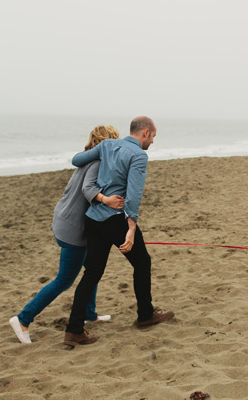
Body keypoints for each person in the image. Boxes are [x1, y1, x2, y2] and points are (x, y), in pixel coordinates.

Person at [63, 116, 174, 346]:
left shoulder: (107, 145)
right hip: (116, 220)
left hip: (94, 218)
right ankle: (145, 315)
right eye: (153, 136)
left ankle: (73, 330)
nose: (153, 141)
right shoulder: (138, 155)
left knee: (92, 273)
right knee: (142, 263)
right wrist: (131, 229)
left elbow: (76, 159)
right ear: (144, 133)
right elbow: (134, 194)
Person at [9, 125, 124, 344]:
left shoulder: (85, 160)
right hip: (73, 228)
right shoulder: (97, 163)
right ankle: (23, 319)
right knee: (64, 279)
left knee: (92, 267)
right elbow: (87, 191)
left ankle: (89, 314)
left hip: (65, 220)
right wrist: (107, 200)